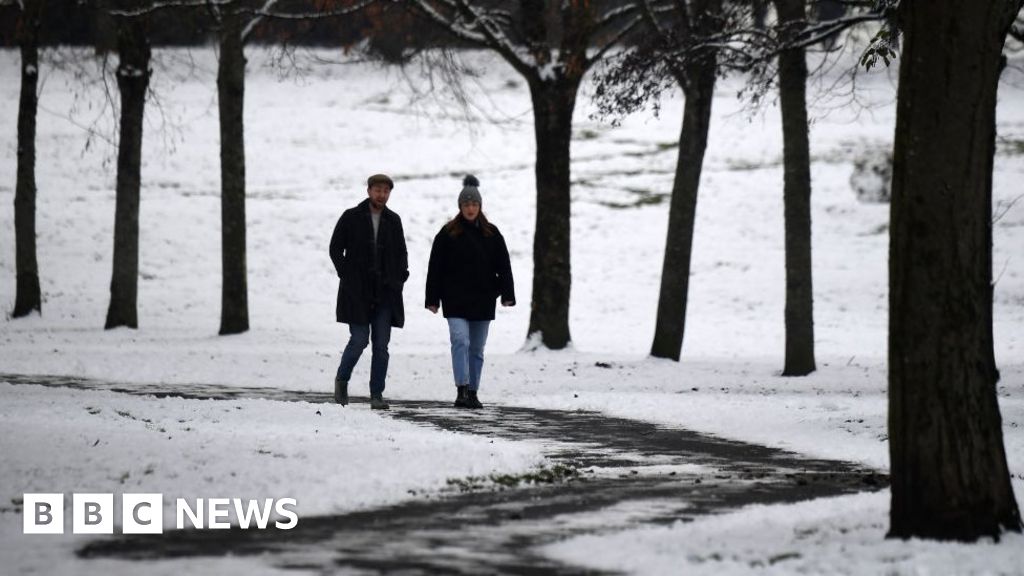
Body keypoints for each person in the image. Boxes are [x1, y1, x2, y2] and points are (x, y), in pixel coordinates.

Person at [425, 175, 515, 409]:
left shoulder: (492, 234)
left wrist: (507, 294)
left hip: (483, 300)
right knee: (460, 340)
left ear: (480, 206)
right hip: (454, 299)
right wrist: (432, 299)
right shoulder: (447, 233)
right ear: (460, 207)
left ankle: (473, 391)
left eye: (474, 204)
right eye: (466, 204)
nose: (470, 208)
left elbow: (503, 266)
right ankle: (461, 389)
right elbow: (435, 267)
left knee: (477, 349)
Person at [330, 174, 409, 410]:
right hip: (357, 292)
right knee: (359, 340)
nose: (381, 194)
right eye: (377, 190)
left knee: (381, 346)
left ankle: (377, 395)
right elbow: (335, 249)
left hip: (385, 293)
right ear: (369, 191)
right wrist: (347, 275)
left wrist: (399, 278)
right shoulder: (351, 217)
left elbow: (402, 253)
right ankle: (342, 381)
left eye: (386, 191)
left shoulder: (394, 220)